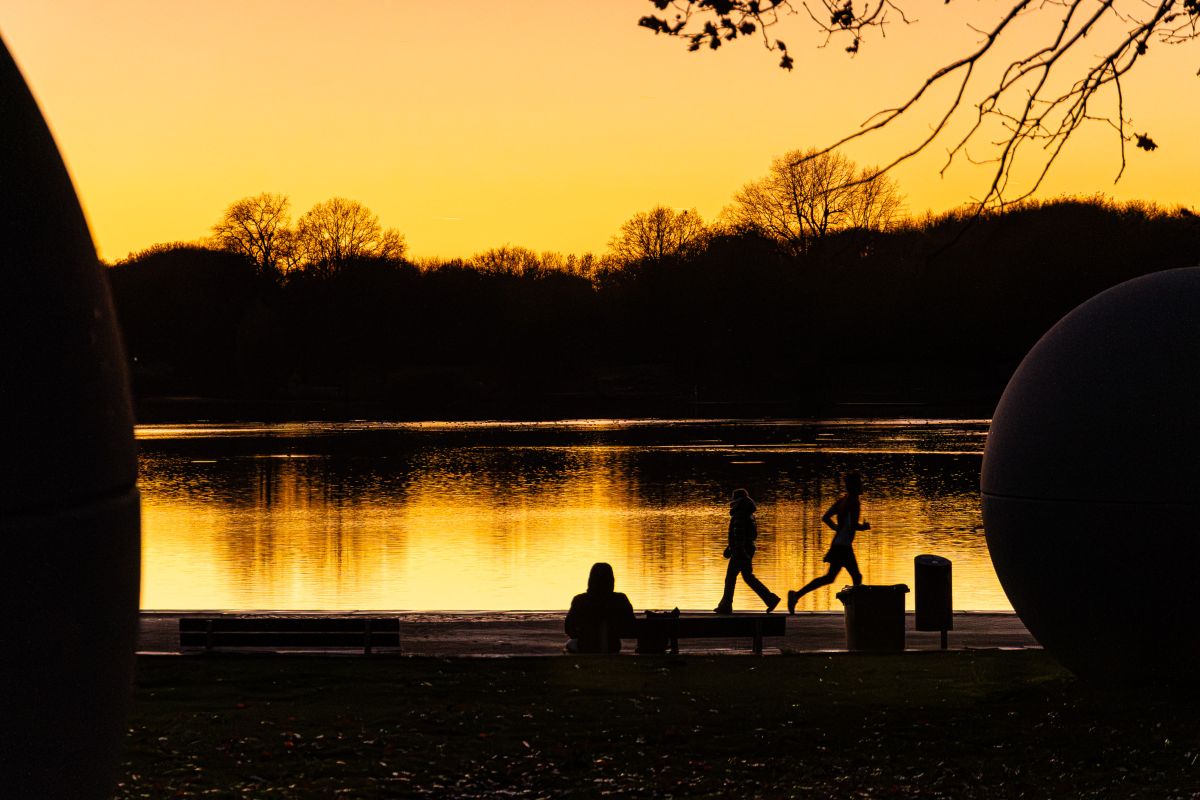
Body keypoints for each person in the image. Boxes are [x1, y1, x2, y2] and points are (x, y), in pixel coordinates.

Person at [787, 471, 871, 614]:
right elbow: (852, 525)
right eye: (860, 483)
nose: (862, 486)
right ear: (855, 486)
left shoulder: (842, 501)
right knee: (856, 576)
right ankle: (857, 610)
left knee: (830, 578)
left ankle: (796, 595)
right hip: (843, 546)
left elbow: (826, 517)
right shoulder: (853, 502)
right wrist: (863, 527)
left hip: (838, 544)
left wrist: (837, 528)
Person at [714, 489, 781, 614]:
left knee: (730, 578)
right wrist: (730, 548)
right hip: (747, 549)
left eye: (733, 499)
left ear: (737, 501)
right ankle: (770, 599)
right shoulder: (748, 514)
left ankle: (725, 606)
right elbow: (747, 534)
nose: (731, 502)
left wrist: (737, 550)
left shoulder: (740, 514)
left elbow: (739, 534)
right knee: (748, 578)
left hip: (741, 552)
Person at [565, 562, 637, 653]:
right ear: (611, 580)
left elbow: (568, 628)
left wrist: (582, 634)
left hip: (585, 646)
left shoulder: (580, 600)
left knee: (570, 644)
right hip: (612, 646)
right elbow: (631, 625)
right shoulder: (620, 599)